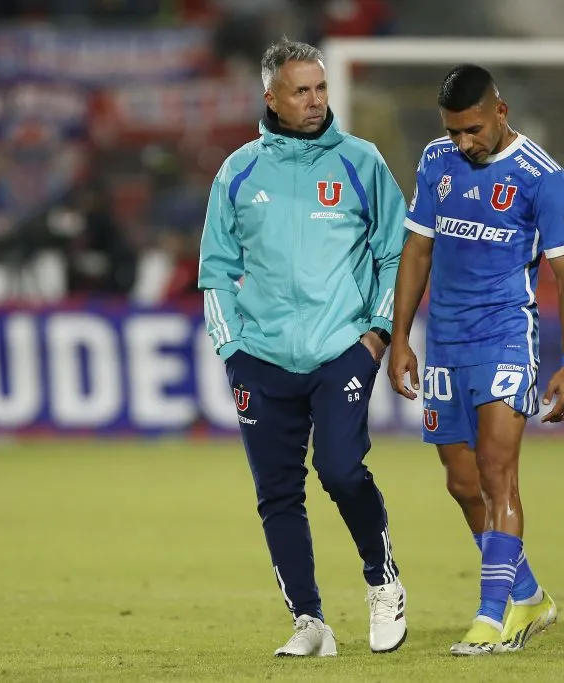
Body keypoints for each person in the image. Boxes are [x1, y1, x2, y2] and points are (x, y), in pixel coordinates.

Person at [198, 37, 408, 658]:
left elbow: (396, 252)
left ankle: (383, 581)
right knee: (278, 495)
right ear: (271, 97)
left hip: (342, 348)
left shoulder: (361, 162)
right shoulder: (238, 171)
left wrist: (377, 333)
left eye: (320, 88)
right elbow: (215, 269)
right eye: (301, 91)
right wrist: (231, 348)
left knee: (341, 470)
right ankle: (310, 622)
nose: (316, 100)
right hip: (259, 358)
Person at [387, 64, 564, 656]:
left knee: (499, 473)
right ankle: (527, 595)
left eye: (472, 129)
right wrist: (400, 337)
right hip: (445, 342)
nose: (462, 142)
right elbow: (417, 250)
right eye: (452, 131)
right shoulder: (435, 161)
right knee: (462, 481)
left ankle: (492, 616)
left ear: (501, 112)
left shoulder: (541, 177)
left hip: (504, 337)